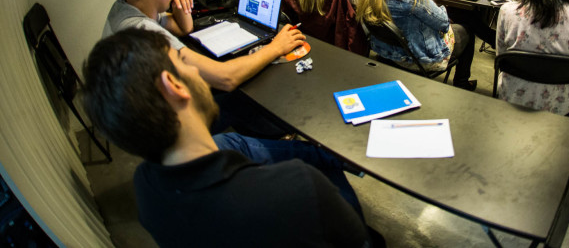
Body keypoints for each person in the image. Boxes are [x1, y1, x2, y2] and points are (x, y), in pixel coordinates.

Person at [83, 28, 372, 247]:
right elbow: (353, 237)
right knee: (328, 168)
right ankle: (340, 158)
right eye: (183, 62)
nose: (195, 70)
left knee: (231, 142)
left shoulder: (145, 185)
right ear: (173, 86)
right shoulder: (300, 185)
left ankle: (328, 153)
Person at [102, 0, 305, 93]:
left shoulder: (125, 7)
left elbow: (185, 28)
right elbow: (226, 78)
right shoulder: (143, 33)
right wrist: (276, 48)